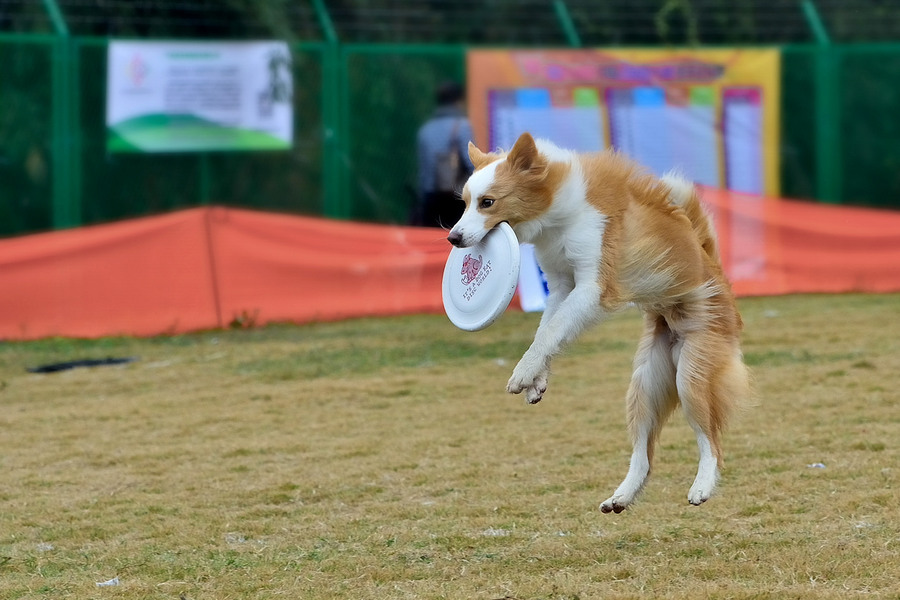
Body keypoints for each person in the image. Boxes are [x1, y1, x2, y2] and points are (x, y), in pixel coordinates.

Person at [412, 81, 474, 228]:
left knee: (432, 245)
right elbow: (471, 162)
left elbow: (424, 172)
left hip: (431, 200)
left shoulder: (425, 130)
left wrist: (423, 199)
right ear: (458, 101)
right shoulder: (462, 126)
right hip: (457, 199)